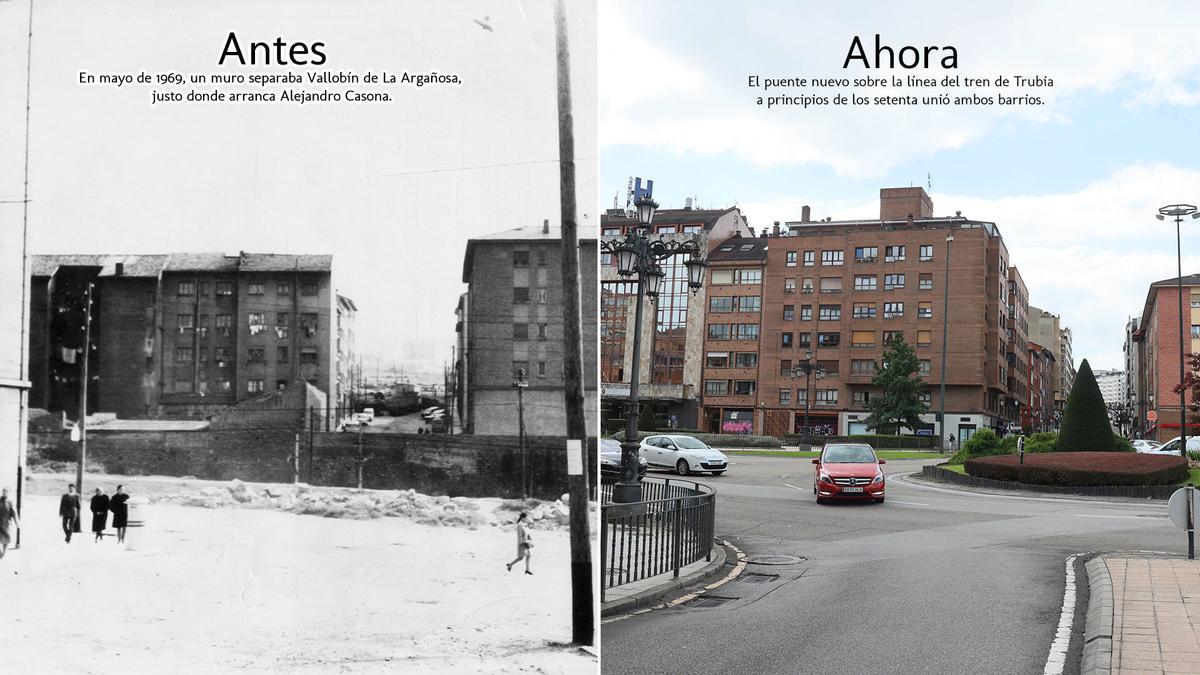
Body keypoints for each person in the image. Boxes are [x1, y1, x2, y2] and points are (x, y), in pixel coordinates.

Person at [0, 487, 18, 559]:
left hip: (7, 524)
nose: (4, 492)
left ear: (8, 493)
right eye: (3, 491)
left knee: (6, 539)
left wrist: (17, 522)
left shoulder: (10, 502)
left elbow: (14, 513)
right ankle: (1, 551)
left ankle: (3, 553)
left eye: (6, 491)